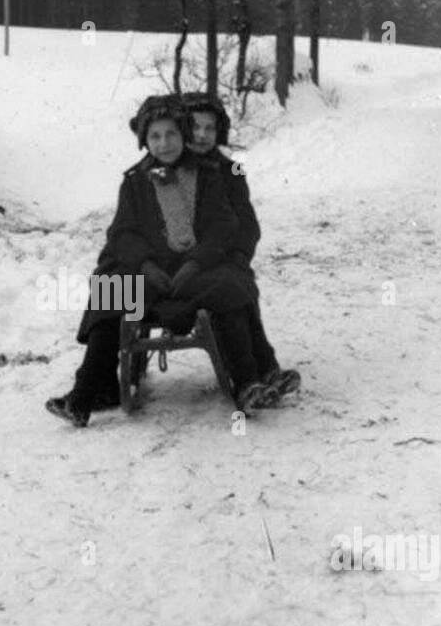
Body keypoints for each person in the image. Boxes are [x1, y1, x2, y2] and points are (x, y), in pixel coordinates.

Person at [46, 97, 272, 427]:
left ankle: (248, 383)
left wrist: (195, 262)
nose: (164, 144)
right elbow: (123, 232)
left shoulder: (207, 176)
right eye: (155, 136)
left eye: (171, 135)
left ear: (182, 135)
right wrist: (145, 265)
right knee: (113, 291)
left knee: (229, 288)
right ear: (145, 141)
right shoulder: (135, 181)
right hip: (152, 276)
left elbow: (223, 226)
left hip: (196, 274)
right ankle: (83, 396)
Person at [186, 95, 300, 406]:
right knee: (230, 288)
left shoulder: (231, 170)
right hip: (193, 265)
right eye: (195, 126)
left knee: (239, 281)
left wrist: (238, 256)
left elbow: (247, 223)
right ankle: (249, 376)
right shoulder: (176, 168)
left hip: (226, 260)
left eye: (210, 128)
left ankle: (266, 372)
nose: (201, 134)